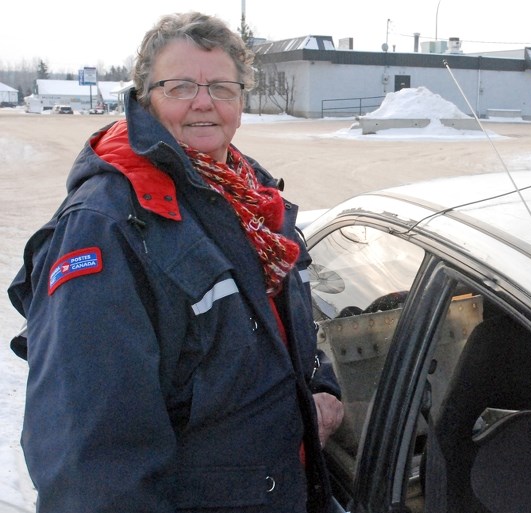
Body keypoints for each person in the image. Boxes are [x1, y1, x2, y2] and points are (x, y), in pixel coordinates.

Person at [8, 11, 344, 513]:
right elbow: (91, 462)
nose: (205, 102)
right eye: (181, 85)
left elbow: (276, 326)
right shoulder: (106, 225)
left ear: (241, 99)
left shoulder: (250, 195)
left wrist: (316, 386)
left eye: (222, 87)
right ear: (145, 97)